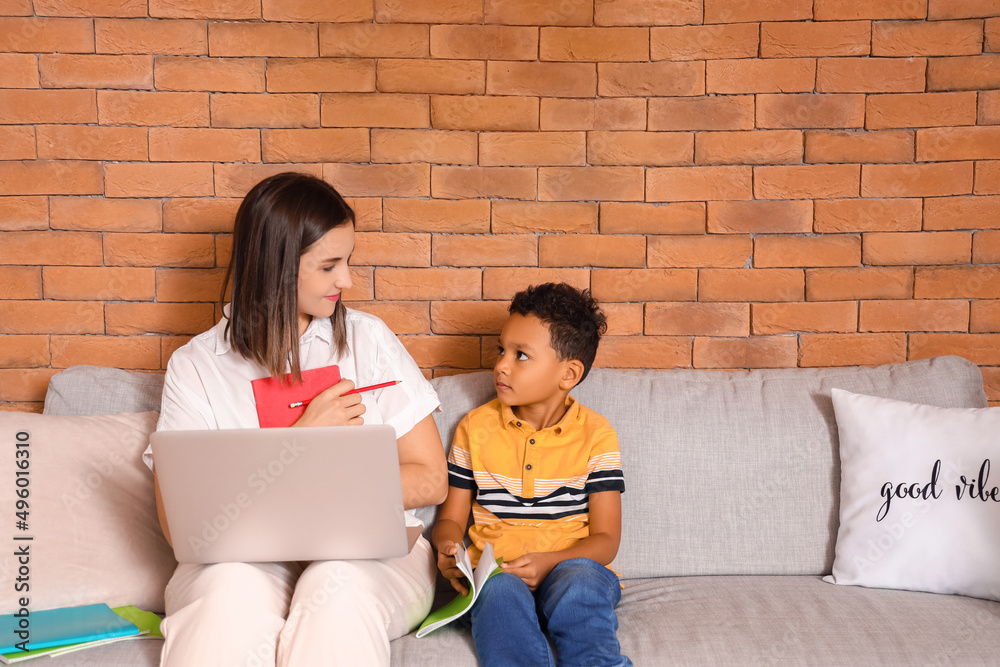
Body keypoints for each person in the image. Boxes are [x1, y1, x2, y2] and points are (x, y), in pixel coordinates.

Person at [145, 172, 448, 667]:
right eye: (329, 266)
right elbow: (181, 528)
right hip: (240, 561)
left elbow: (431, 478)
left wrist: (311, 490)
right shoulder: (197, 366)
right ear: (276, 268)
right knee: (227, 599)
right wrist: (303, 440)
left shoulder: (369, 341)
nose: (346, 280)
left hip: (368, 556)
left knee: (336, 587)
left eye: (347, 261)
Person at [432, 282, 631, 667]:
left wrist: (548, 563)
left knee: (580, 584)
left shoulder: (597, 435)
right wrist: (446, 547)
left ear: (568, 373)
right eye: (501, 350)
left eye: (521, 355)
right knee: (498, 590)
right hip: (500, 572)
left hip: (571, 571)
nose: (501, 364)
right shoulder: (474, 427)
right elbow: (452, 519)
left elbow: (606, 540)